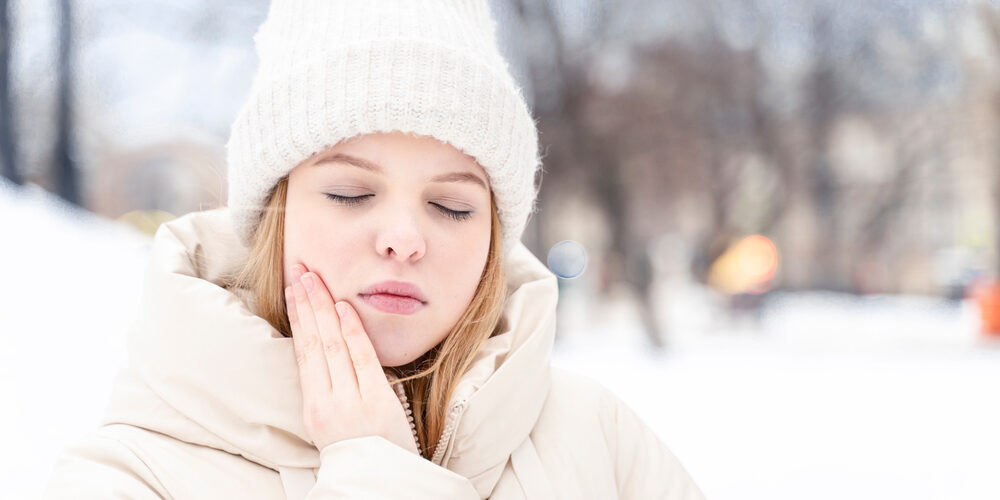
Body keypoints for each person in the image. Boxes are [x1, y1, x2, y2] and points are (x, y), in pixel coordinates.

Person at [43, 1, 706, 498]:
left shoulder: (598, 440)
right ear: (275, 208)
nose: (404, 238)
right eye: (351, 193)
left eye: (453, 206)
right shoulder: (129, 475)